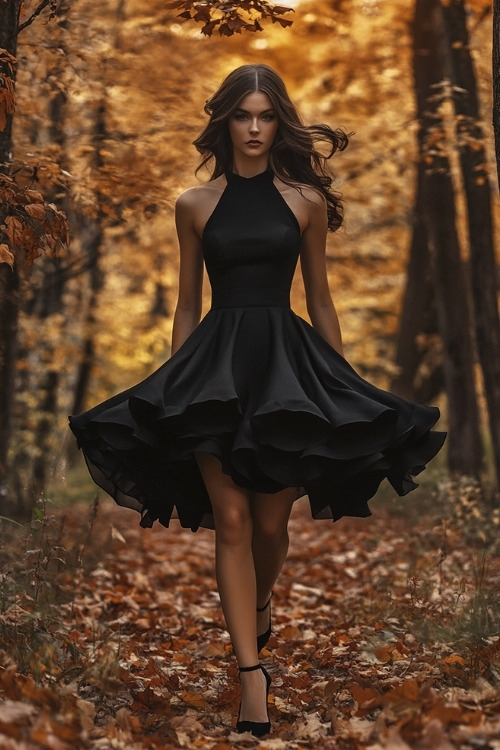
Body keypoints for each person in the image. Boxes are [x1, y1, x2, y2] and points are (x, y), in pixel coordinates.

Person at [69, 63, 445, 737]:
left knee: (273, 527)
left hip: (285, 371)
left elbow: (321, 299)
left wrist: (340, 382)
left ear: (280, 123)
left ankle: (261, 603)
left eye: (265, 116)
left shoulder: (303, 202)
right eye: (242, 115)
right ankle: (251, 679)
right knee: (233, 524)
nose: (253, 128)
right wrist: (179, 382)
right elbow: (186, 303)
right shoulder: (195, 204)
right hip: (214, 368)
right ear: (225, 122)